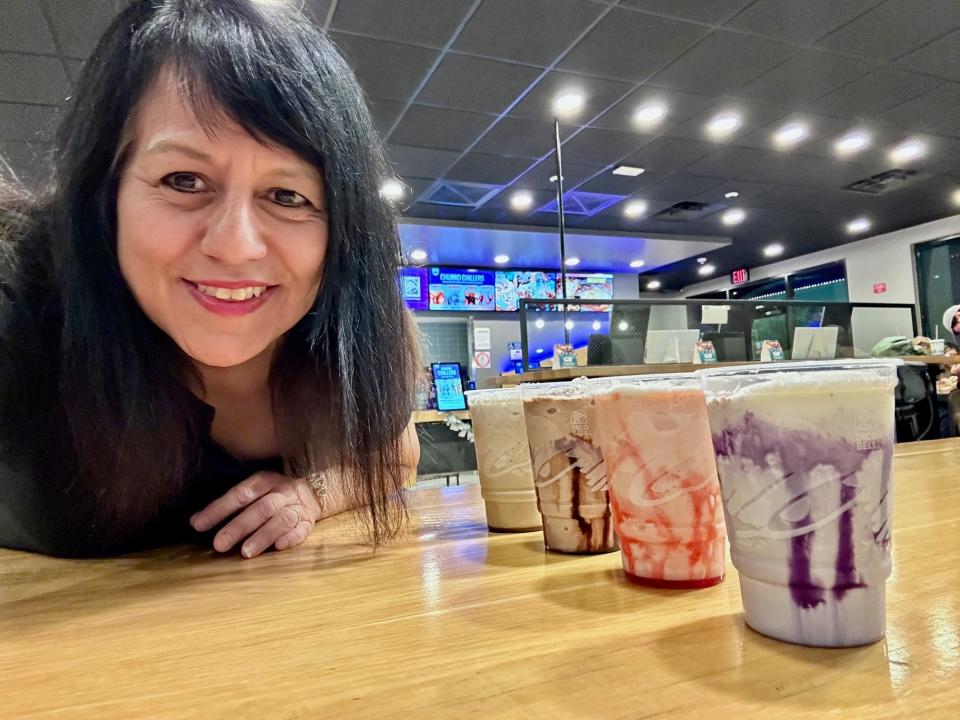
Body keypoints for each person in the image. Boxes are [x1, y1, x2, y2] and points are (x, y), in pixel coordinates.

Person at [0, 0, 420, 558]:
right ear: (106, 192)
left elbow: (397, 446)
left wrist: (312, 495)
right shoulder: (24, 303)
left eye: (287, 195)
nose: (235, 245)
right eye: (183, 179)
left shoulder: (347, 325)